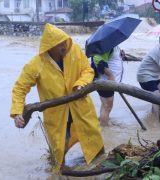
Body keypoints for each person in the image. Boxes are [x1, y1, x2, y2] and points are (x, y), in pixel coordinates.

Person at [10, 23, 104, 171]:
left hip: (80, 105)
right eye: (60, 45)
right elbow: (20, 88)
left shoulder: (75, 51)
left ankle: (98, 166)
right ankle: (58, 170)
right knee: (60, 145)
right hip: (57, 112)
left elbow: (87, 70)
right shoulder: (37, 64)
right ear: (50, 47)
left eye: (65, 42)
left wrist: (81, 84)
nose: (64, 47)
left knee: (93, 136)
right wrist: (17, 112)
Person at [91, 46, 124, 126]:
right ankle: (105, 129)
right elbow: (97, 59)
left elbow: (112, 59)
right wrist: (110, 75)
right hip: (106, 82)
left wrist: (121, 56)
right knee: (107, 106)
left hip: (108, 82)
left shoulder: (113, 46)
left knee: (105, 105)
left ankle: (102, 122)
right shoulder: (106, 46)